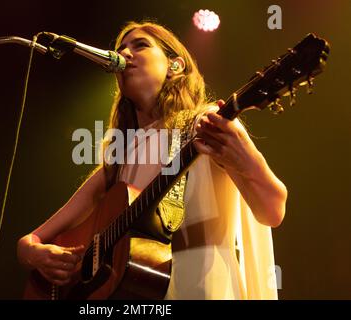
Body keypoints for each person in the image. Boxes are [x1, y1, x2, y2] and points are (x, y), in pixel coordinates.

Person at [17, 20, 287, 299]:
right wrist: (35, 254)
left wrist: (243, 157)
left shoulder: (205, 125)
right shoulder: (118, 159)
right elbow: (29, 241)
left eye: (140, 45)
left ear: (175, 66)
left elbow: (273, 210)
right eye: (121, 48)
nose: (125, 54)